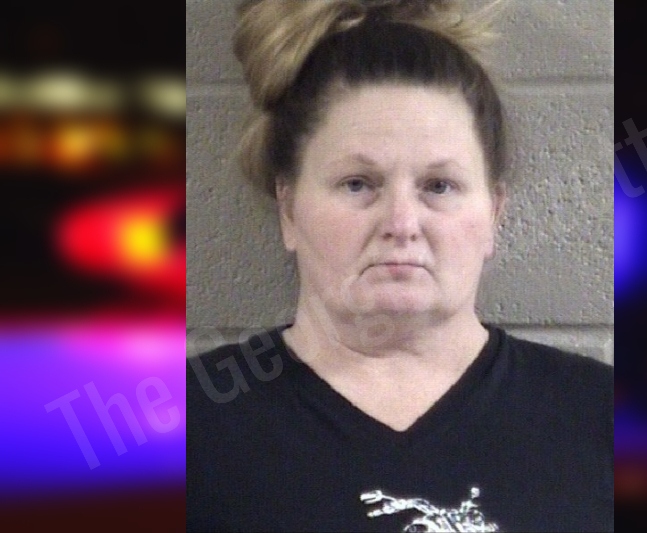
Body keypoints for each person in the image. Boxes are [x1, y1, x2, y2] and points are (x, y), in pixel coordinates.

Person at [186, 1, 613, 531]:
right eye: (358, 184)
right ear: (289, 209)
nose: (402, 223)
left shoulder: (606, 420)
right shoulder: (183, 430)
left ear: (494, 213)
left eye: (439, 186)